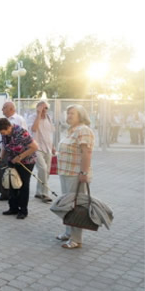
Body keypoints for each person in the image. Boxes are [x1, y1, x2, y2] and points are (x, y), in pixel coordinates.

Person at [57, 105, 95, 249]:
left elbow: (87, 153)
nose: (69, 115)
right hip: (66, 172)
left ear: (81, 115)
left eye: (72, 113)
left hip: (76, 174)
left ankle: (76, 239)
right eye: (68, 113)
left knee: (76, 206)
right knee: (68, 205)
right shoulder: (71, 130)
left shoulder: (83, 130)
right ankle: (68, 232)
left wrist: (84, 173)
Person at [0, 117, 38, 219]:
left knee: (23, 185)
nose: (2, 134)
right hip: (12, 160)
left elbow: (35, 147)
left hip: (27, 161)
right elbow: (4, 147)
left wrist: (20, 157)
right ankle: (13, 208)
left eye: (3, 131)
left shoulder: (21, 132)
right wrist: (0, 157)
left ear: (8, 127)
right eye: (1, 132)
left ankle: (23, 210)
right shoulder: (4, 134)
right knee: (11, 183)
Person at [0, 101, 27, 201]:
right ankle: (4, 193)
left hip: (14, 151)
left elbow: (24, 136)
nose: (2, 110)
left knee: (12, 172)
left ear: (11, 109)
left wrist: (20, 154)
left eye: (4, 107)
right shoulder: (4, 120)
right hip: (3, 149)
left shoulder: (19, 120)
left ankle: (12, 194)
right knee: (1, 170)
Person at [27, 101, 55, 203]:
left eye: (46, 108)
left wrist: (52, 146)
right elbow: (34, 129)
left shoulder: (49, 118)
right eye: (42, 108)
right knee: (43, 169)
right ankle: (45, 193)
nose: (45, 110)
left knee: (46, 171)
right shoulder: (32, 117)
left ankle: (39, 192)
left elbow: (49, 133)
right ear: (37, 109)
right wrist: (38, 115)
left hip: (48, 147)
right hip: (36, 148)